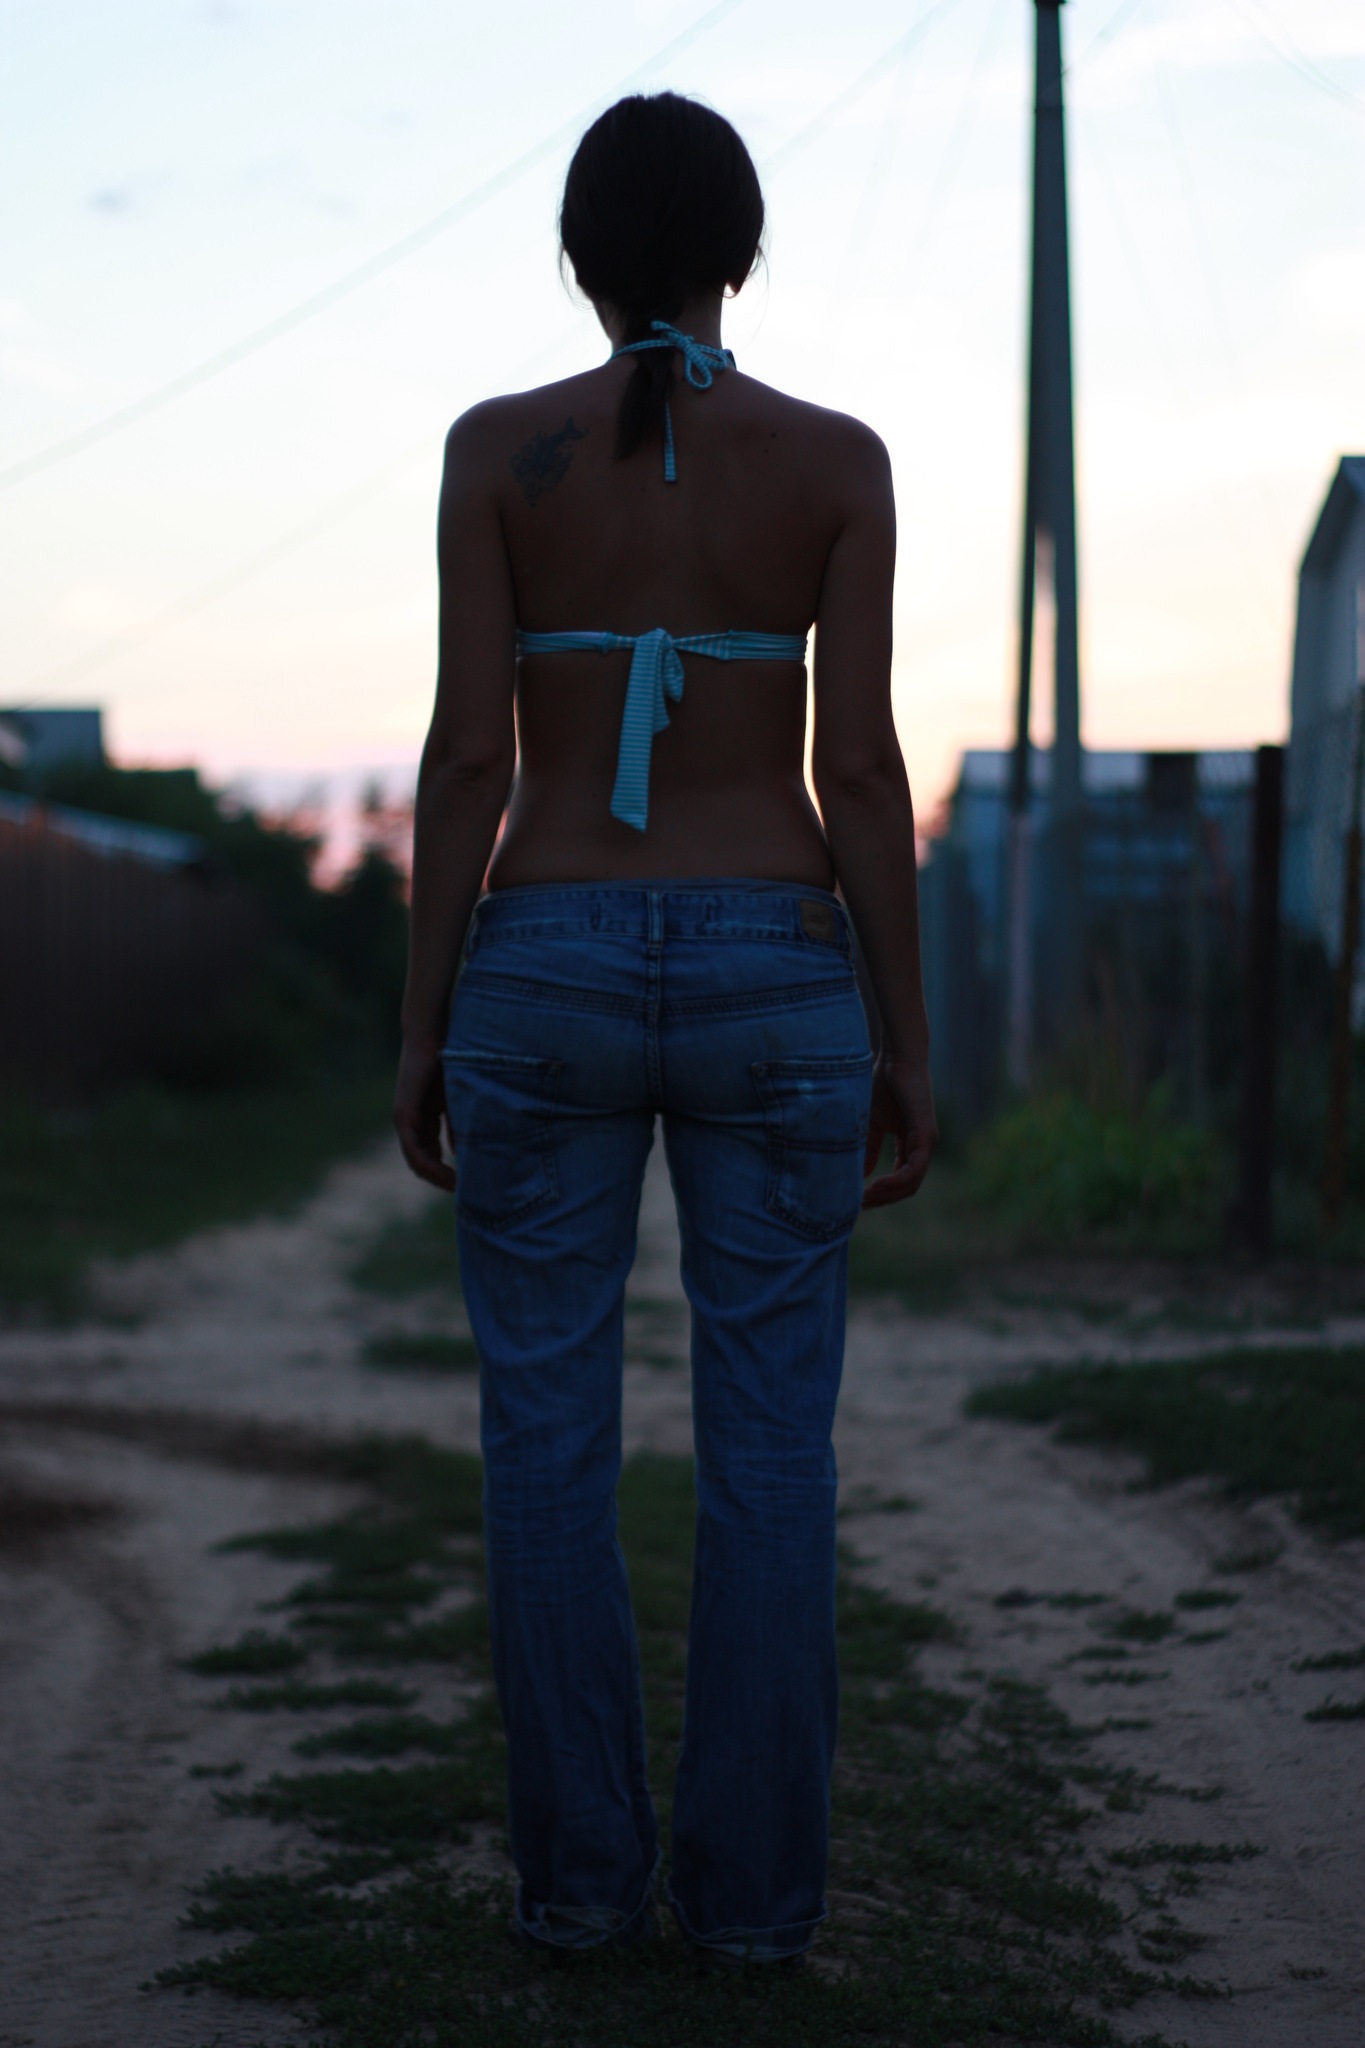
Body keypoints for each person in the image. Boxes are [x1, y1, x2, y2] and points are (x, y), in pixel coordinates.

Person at [394, 90, 936, 1966]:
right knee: (771, 1451)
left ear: (576, 256)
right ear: (742, 250)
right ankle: (756, 1914)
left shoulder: (495, 453)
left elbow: (467, 761)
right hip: (775, 972)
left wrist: (424, 1020)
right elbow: (859, 774)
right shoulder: (837, 463)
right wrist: (903, 1039)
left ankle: (576, 1892)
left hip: (537, 963)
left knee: (543, 1439)